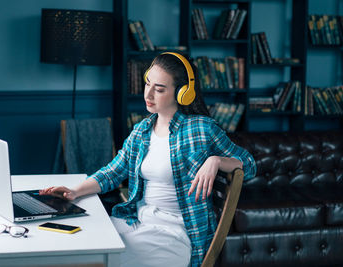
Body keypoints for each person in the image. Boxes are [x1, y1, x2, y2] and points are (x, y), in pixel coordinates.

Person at [40, 52, 256, 267]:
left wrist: (216, 161)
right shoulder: (142, 130)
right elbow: (113, 172)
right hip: (136, 221)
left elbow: (249, 164)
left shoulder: (201, 128)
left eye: (159, 89)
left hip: (173, 234)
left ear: (183, 93)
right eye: (147, 84)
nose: (149, 94)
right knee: (75, 252)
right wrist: (75, 191)